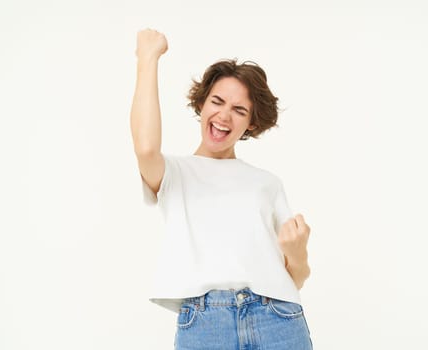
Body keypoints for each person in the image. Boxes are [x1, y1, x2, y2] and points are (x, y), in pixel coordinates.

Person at [130, 28, 314, 349]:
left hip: (278, 317)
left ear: (251, 124)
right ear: (201, 104)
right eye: (217, 101)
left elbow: (295, 277)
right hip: (206, 324)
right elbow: (146, 149)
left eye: (239, 110)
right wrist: (148, 58)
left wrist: (297, 253)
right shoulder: (175, 173)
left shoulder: (267, 183)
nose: (224, 116)